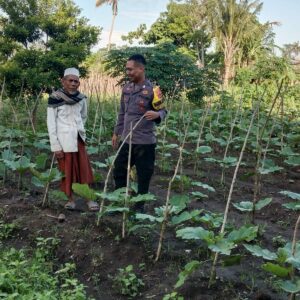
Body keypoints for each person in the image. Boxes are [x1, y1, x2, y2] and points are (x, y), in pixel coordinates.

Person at [112, 54, 167, 212]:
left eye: (131, 69)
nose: (128, 72)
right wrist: (117, 132)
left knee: (144, 174)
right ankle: (120, 201)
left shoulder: (153, 91)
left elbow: (163, 110)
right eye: (127, 69)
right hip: (127, 139)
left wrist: (157, 115)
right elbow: (122, 113)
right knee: (119, 170)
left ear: (141, 69)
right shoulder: (126, 88)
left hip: (144, 141)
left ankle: (139, 206)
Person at [47, 67, 99, 211]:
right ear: (63, 81)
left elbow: (83, 117)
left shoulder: (81, 99)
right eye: (70, 80)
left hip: (78, 139)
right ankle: (70, 200)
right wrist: (55, 146)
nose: (73, 83)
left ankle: (88, 199)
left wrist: (78, 129)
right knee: (67, 171)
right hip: (63, 142)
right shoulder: (55, 98)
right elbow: (51, 124)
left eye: (76, 81)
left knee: (84, 169)